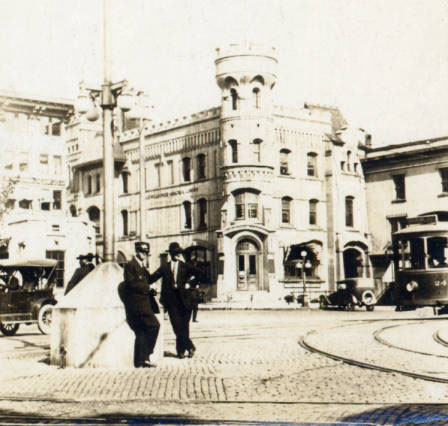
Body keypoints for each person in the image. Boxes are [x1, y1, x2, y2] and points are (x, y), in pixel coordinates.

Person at [148, 242, 204, 359]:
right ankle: (190, 346)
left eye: (179, 252)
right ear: (171, 253)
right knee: (176, 326)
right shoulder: (165, 267)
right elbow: (152, 277)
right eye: (175, 253)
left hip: (185, 301)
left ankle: (181, 351)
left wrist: (190, 284)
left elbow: (200, 273)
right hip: (171, 302)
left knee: (184, 326)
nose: (177, 255)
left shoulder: (184, 265)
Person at [120, 242, 160, 368]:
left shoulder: (141, 266)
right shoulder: (131, 266)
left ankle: (140, 360)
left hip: (143, 303)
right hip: (138, 305)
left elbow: (148, 279)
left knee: (142, 333)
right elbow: (131, 284)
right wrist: (148, 287)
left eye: (146, 253)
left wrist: (162, 271)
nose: (144, 255)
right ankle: (147, 353)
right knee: (154, 325)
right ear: (137, 251)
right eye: (142, 252)